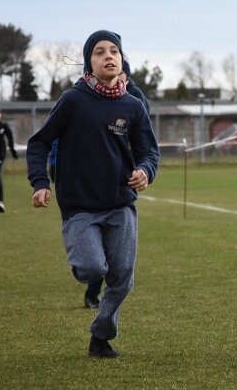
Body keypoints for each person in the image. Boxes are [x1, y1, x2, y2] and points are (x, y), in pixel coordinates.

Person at [26, 30, 159, 359]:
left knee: (122, 280)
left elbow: (149, 152)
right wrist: (40, 182)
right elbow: (39, 142)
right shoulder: (73, 100)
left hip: (121, 206)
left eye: (114, 51)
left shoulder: (133, 106)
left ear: (121, 58)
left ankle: (101, 336)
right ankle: (81, 258)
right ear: (90, 61)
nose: (108, 56)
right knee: (91, 269)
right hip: (80, 207)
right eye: (100, 52)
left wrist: (145, 171)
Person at [81, 58, 151, 311]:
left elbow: (144, 133)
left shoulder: (135, 98)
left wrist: (142, 167)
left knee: (115, 249)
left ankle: (105, 298)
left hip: (125, 176)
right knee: (96, 252)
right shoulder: (87, 97)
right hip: (95, 180)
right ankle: (92, 290)